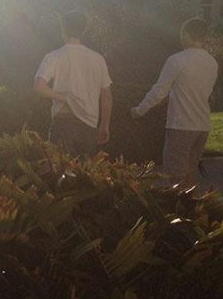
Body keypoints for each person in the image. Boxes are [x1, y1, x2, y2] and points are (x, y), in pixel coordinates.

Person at [131, 17, 218, 183]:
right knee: (190, 175)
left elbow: (159, 91)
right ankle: (190, 208)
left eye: (181, 33)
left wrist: (139, 110)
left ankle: (178, 208)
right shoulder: (212, 62)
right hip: (202, 126)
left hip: (181, 126)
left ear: (187, 34)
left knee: (175, 178)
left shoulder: (177, 60)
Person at [34, 10, 112, 157]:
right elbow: (106, 95)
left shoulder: (55, 56)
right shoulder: (98, 59)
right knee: (85, 175)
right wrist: (105, 125)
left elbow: (39, 86)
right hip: (89, 125)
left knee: (58, 174)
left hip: (63, 122)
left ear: (63, 29)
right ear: (84, 29)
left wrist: (63, 98)